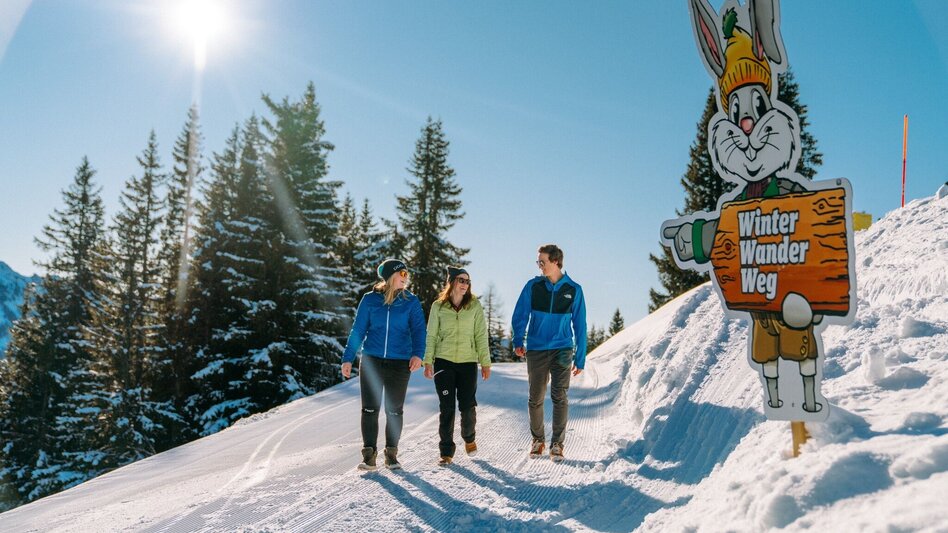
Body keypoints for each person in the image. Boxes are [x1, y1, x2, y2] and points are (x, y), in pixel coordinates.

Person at [342, 259, 426, 471]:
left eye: (407, 274)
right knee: (369, 409)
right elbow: (358, 330)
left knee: (394, 411)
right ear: (390, 276)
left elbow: (419, 330)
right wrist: (348, 357)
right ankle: (369, 456)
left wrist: (418, 354)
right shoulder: (370, 300)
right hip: (372, 360)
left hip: (400, 362)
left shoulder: (411, 301)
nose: (406, 278)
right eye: (402, 274)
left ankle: (391, 454)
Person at [511, 244, 587, 462]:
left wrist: (580, 357)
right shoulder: (533, 286)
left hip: (562, 349)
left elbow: (580, 325)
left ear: (555, 261)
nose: (539, 266)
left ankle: (557, 444)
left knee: (559, 396)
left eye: (542, 262)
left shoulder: (574, 289)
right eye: (538, 262)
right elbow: (520, 314)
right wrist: (518, 339)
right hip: (536, 349)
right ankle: (538, 440)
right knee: (535, 398)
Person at [423, 267, 491, 466]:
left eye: (467, 281)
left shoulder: (474, 305)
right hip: (443, 362)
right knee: (447, 407)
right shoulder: (438, 306)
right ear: (451, 281)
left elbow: (480, 335)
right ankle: (446, 452)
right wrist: (428, 361)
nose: (465, 284)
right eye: (461, 280)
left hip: (468, 363)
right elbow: (431, 335)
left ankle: (469, 438)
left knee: (468, 406)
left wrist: (485, 362)